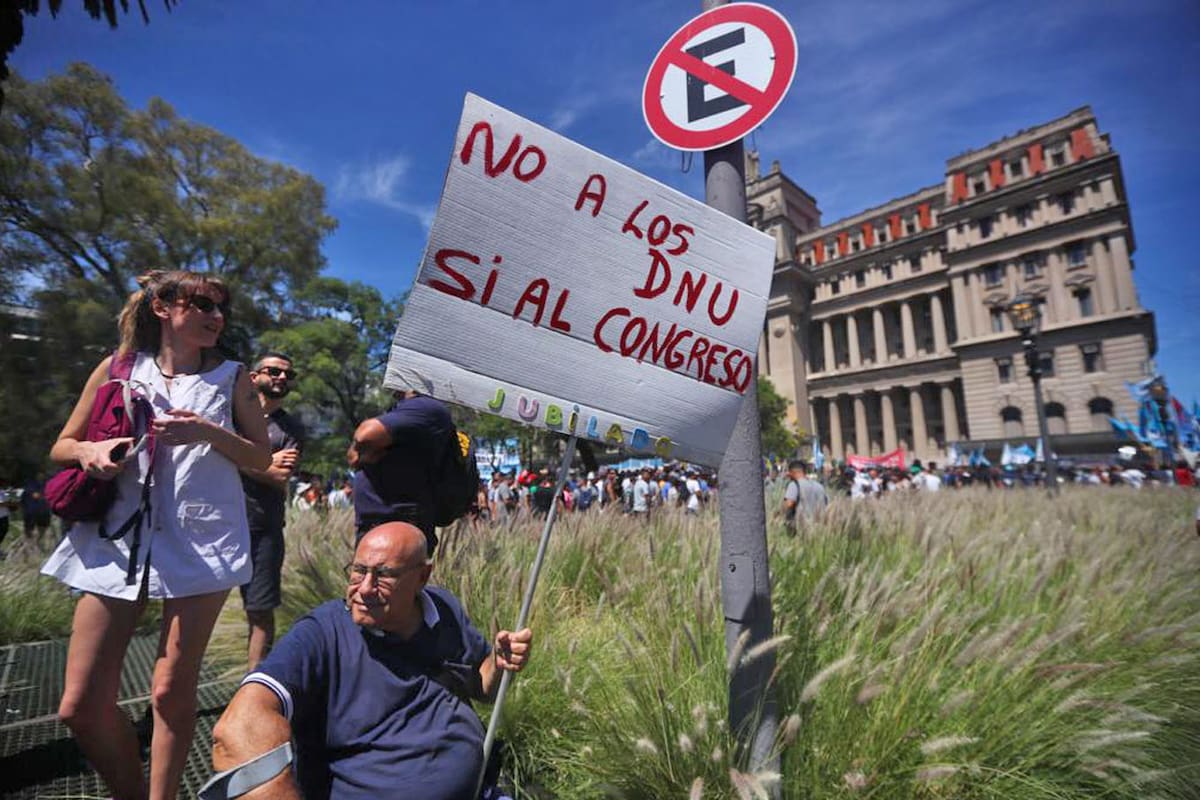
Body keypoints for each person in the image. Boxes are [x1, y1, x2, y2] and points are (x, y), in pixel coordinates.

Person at [40, 270, 271, 800]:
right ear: (163, 308)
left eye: (221, 308)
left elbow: (262, 459)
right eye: (204, 305)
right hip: (117, 541)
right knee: (78, 705)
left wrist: (207, 432)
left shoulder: (233, 376)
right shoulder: (117, 367)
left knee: (169, 690)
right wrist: (90, 453)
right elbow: (63, 444)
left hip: (202, 544)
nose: (217, 317)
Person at [210, 521, 533, 800]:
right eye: (358, 570)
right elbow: (237, 729)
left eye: (384, 575)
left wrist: (498, 664)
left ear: (422, 576)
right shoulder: (322, 633)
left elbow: (483, 688)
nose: (364, 589)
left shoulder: (443, 609)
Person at [239, 353, 305, 672]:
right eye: (274, 371)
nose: (282, 378)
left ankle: (254, 684)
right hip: (218, 526)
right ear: (254, 377)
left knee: (260, 611)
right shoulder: (232, 415)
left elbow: (279, 477)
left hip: (263, 530)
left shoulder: (291, 429)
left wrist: (230, 454)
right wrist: (263, 462)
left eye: (288, 375)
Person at [347, 390, 453, 548]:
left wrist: (364, 448)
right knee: (369, 572)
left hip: (398, 521)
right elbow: (353, 457)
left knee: (389, 571)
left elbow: (364, 434)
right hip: (380, 520)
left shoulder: (425, 406)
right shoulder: (401, 410)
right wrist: (362, 450)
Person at [782, 460, 829, 533]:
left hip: (803, 529)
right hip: (820, 529)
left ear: (792, 473)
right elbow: (826, 503)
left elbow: (789, 504)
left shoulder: (794, 485)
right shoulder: (819, 486)